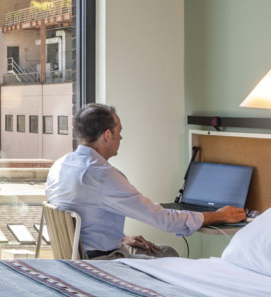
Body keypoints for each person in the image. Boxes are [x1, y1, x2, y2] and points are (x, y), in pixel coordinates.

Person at [46, 103, 246, 259]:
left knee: (158, 250)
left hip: (74, 256)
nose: (121, 138)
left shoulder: (61, 165)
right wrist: (218, 216)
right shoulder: (102, 175)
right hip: (99, 260)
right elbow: (163, 220)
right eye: (119, 131)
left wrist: (120, 239)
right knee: (168, 254)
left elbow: (82, 218)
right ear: (108, 135)